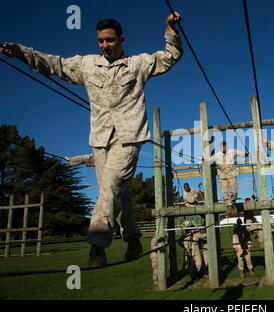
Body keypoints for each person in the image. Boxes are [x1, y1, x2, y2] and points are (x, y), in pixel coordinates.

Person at [1, 13, 183, 268]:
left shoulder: (138, 64)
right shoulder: (87, 65)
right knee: (118, 194)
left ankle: (97, 246)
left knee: (110, 187)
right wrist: (21, 52)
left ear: (121, 39)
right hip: (99, 140)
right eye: (100, 41)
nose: (105, 45)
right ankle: (132, 240)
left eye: (110, 40)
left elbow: (170, 57)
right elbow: (54, 64)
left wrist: (170, 30)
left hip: (128, 137)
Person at [203, 141, 249, 215]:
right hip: (222, 174)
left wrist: (246, 153)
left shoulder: (232, 151)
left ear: (226, 146)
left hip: (231, 173)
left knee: (234, 191)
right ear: (221, 147)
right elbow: (210, 159)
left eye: (225, 146)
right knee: (224, 192)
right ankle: (229, 206)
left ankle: (232, 203)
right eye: (222, 146)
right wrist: (204, 158)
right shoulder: (217, 154)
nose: (224, 147)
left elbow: (241, 154)